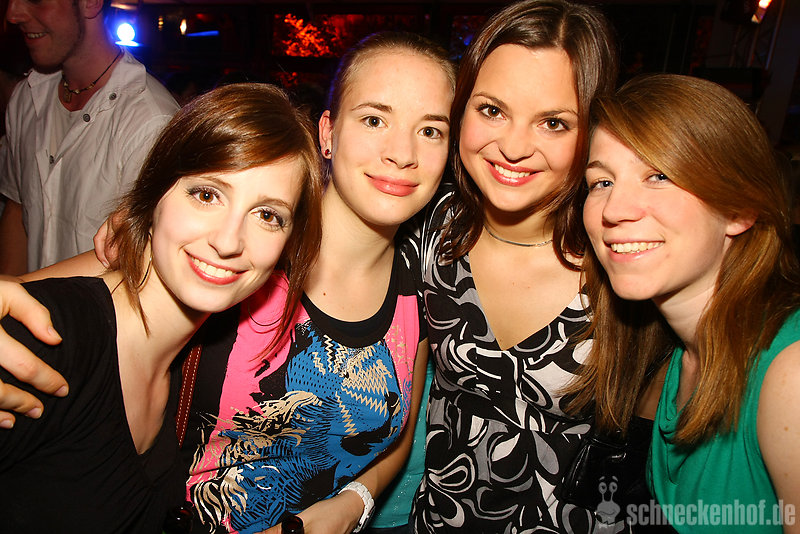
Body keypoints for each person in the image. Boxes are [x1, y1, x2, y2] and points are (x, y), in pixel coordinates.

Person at [0, 31, 455, 534]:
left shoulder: (421, 283)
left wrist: (352, 504)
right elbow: (40, 304)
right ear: (327, 132)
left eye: (431, 130)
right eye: (374, 119)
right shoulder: (243, 257)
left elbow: (398, 434)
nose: (402, 153)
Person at [0, 82, 324, 533]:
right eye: (207, 194)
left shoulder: (190, 366)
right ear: (154, 195)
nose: (228, 241)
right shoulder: (47, 342)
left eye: (268, 215)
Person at [410, 0, 618, 531]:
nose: (513, 147)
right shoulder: (428, 228)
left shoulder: (622, 257)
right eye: (492, 110)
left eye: (553, 122)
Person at [574, 74, 800, 533]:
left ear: (739, 209)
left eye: (658, 176)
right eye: (601, 181)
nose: (614, 209)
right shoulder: (676, 356)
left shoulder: (789, 374)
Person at [0, 0, 179, 274]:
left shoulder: (151, 122)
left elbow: (143, 265)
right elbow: (17, 208)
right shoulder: (27, 97)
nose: (13, 14)